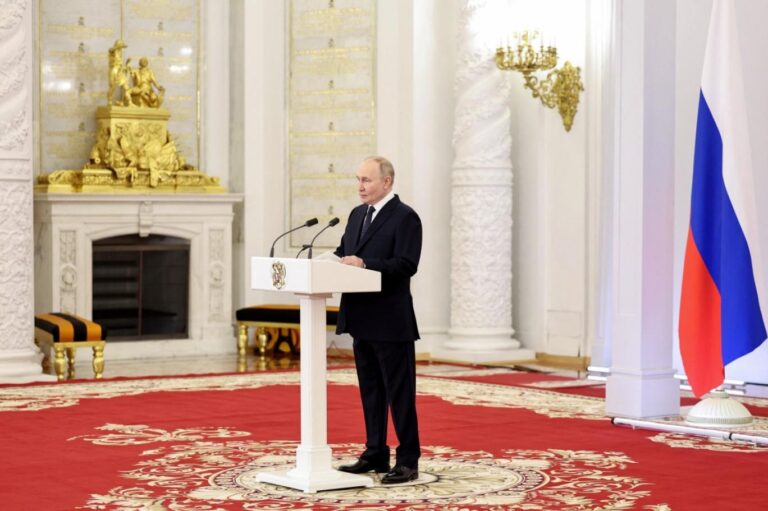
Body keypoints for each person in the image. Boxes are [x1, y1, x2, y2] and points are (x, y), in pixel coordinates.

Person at [334, 156, 422, 485]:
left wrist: (365, 263)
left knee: (400, 394)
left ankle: (408, 460)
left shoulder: (406, 217)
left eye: (366, 180)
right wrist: (328, 261)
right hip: (361, 317)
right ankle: (375, 453)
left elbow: (407, 264)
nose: (360, 186)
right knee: (371, 391)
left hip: (390, 320)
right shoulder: (357, 214)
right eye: (358, 179)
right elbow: (344, 251)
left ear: (386, 182)